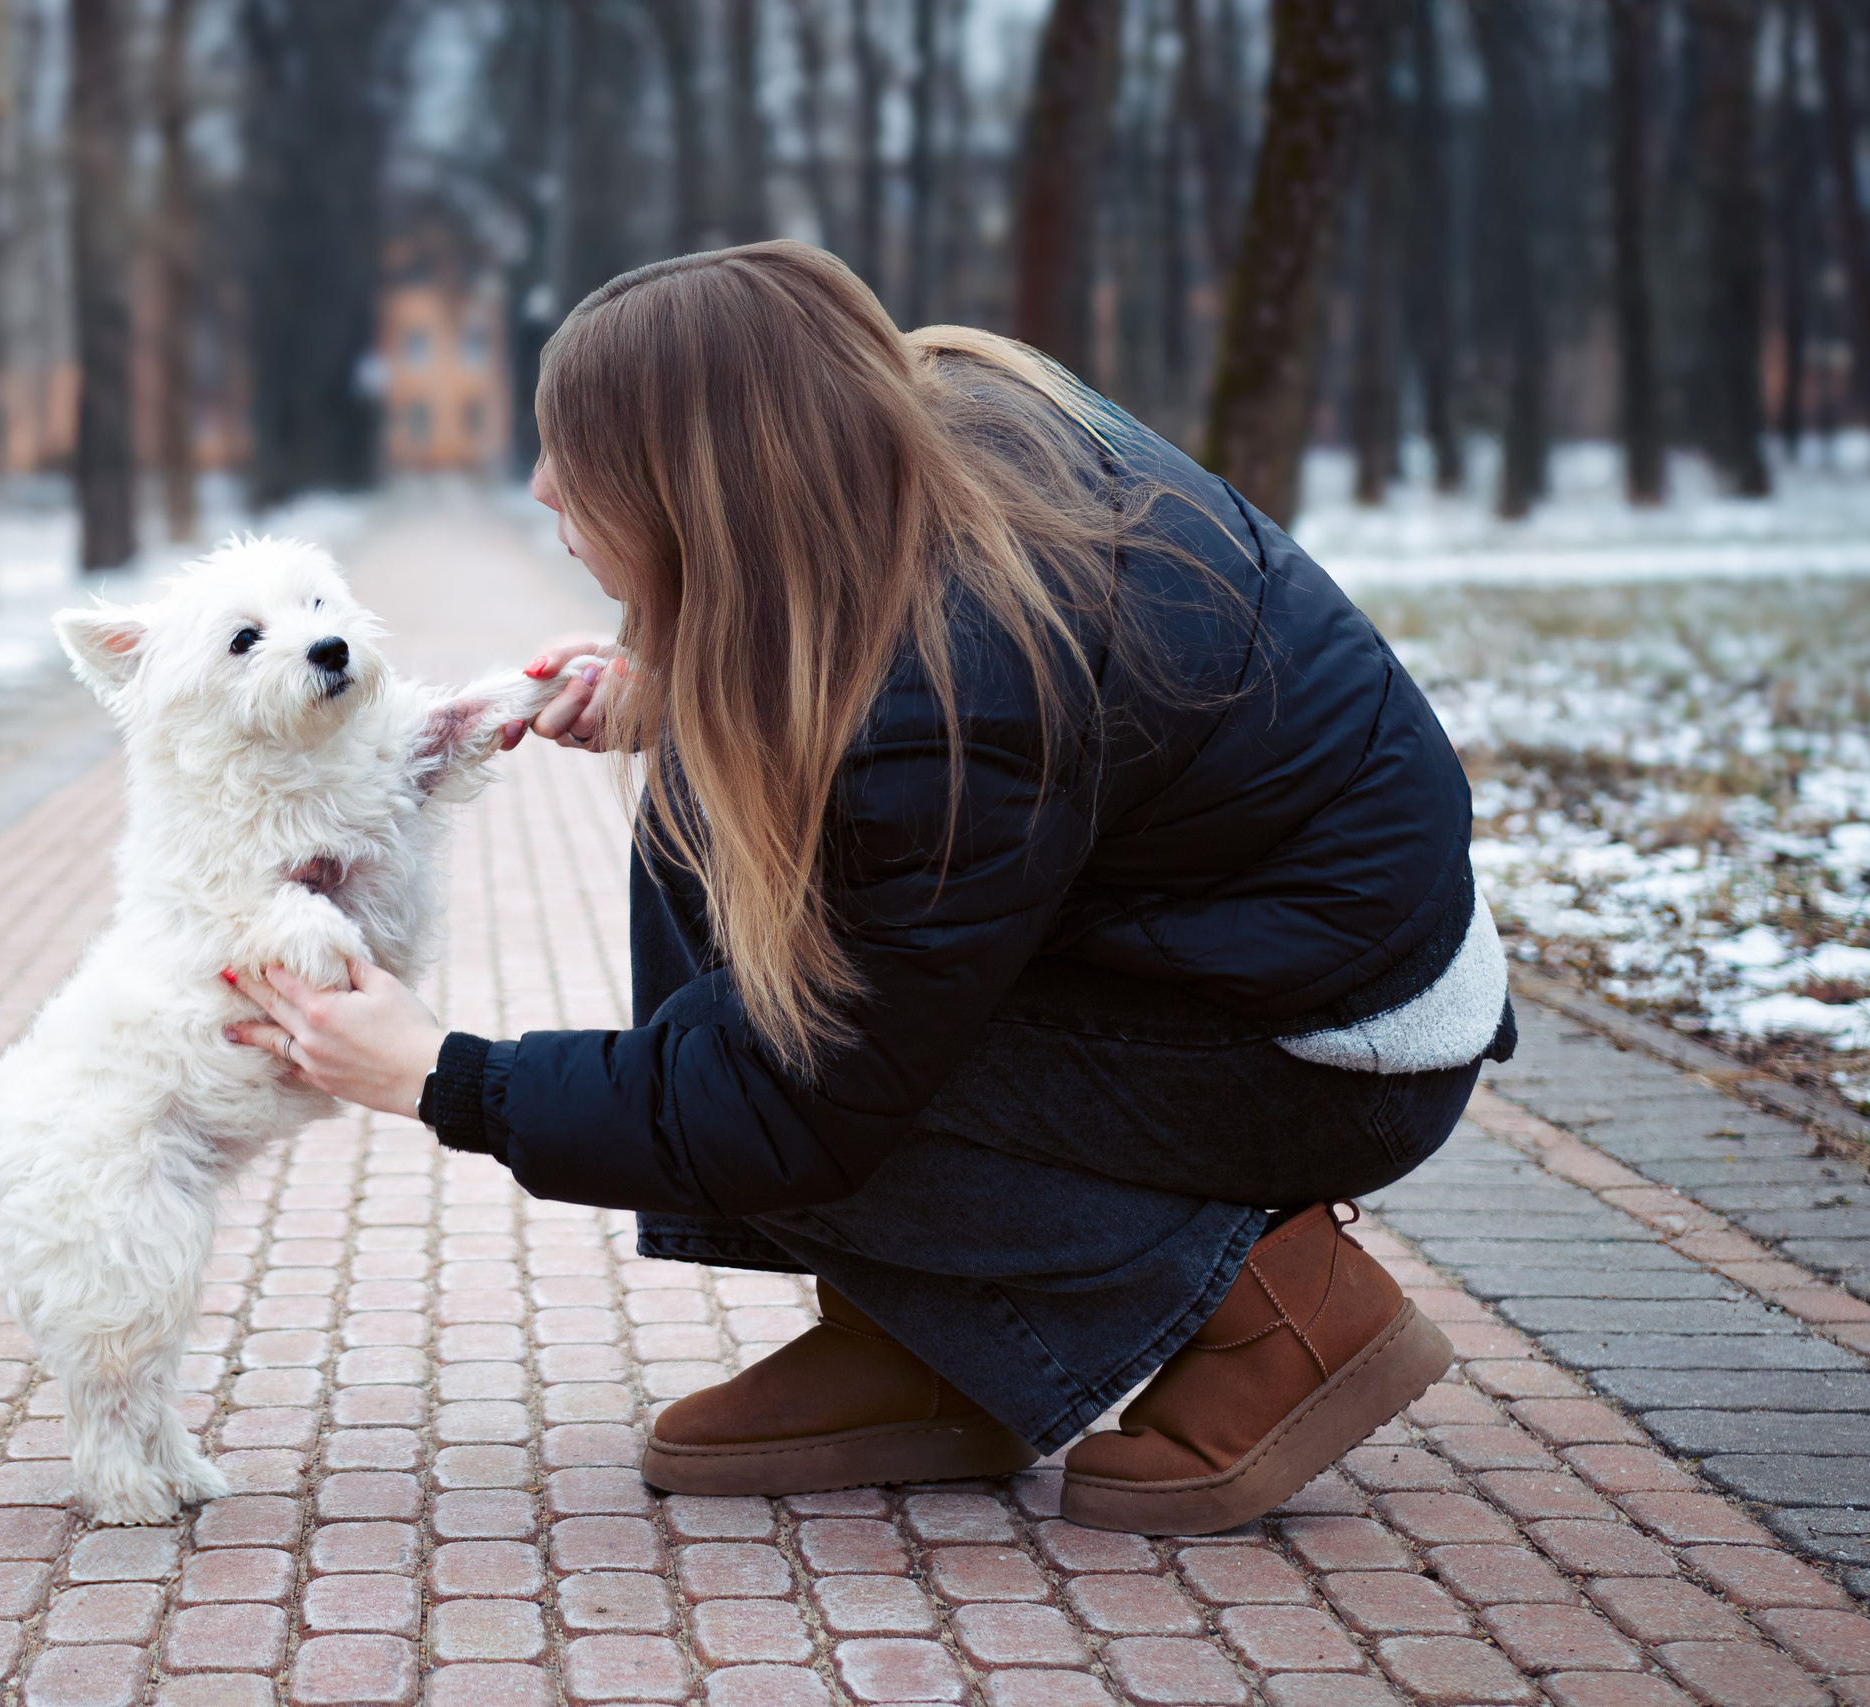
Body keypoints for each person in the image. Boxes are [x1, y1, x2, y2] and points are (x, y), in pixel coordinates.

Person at [226, 241, 1515, 1535]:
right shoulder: (932, 429)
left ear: (705, 481)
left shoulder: (953, 695)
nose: (544, 482)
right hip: (1256, 942)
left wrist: (440, 1074)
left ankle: (1281, 1313)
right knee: (720, 814)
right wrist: (686, 692)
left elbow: (786, 1100)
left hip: (1330, 1046)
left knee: (812, 1025)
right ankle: (929, 1333)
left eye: (587, 451)